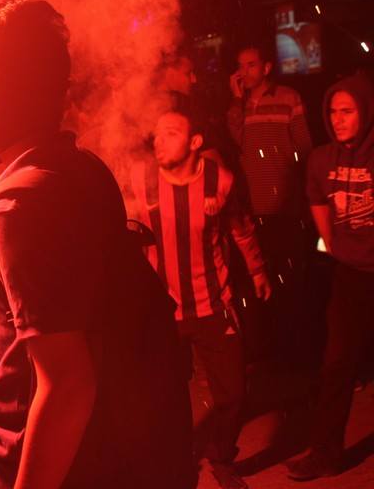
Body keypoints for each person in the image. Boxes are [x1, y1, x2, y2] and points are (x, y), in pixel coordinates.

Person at [0, 0, 194, 489]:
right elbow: (22, 213)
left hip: (41, 467)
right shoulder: (76, 168)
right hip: (116, 458)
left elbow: (68, 385)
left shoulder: (18, 208)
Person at [130, 96, 271, 489]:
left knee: (233, 394)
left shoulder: (219, 181)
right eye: (157, 134)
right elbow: (124, 230)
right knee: (163, 395)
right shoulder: (140, 178)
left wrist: (258, 271)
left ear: (195, 142)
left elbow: (241, 228)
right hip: (163, 311)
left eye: (171, 133)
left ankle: (221, 456)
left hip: (213, 304)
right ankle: (174, 461)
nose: (159, 141)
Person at [286, 73, 374, 481]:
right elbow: (317, 198)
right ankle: (325, 454)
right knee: (337, 364)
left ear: (366, 112)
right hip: (350, 275)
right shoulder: (322, 159)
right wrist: (333, 244)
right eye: (333, 111)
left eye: (347, 111)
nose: (338, 119)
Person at [227, 42, 312, 329]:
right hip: (256, 206)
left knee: (291, 277)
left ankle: (298, 335)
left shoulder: (288, 97)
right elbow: (238, 142)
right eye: (240, 66)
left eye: (251, 65)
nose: (244, 72)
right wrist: (236, 101)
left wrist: (298, 190)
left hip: (286, 204)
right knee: (263, 278)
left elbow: (304, 147)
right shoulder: (239, 106)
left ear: (266, 68)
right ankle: (273, 335)